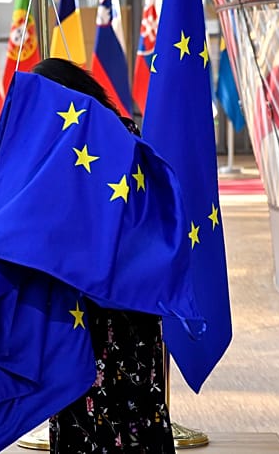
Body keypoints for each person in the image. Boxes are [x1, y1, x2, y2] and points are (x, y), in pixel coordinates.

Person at [33, 58, 175, 453]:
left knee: (89, 405)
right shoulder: (124, 138)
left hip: (101, 309)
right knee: (132, 407)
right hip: (128, 304)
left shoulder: (96, 148)